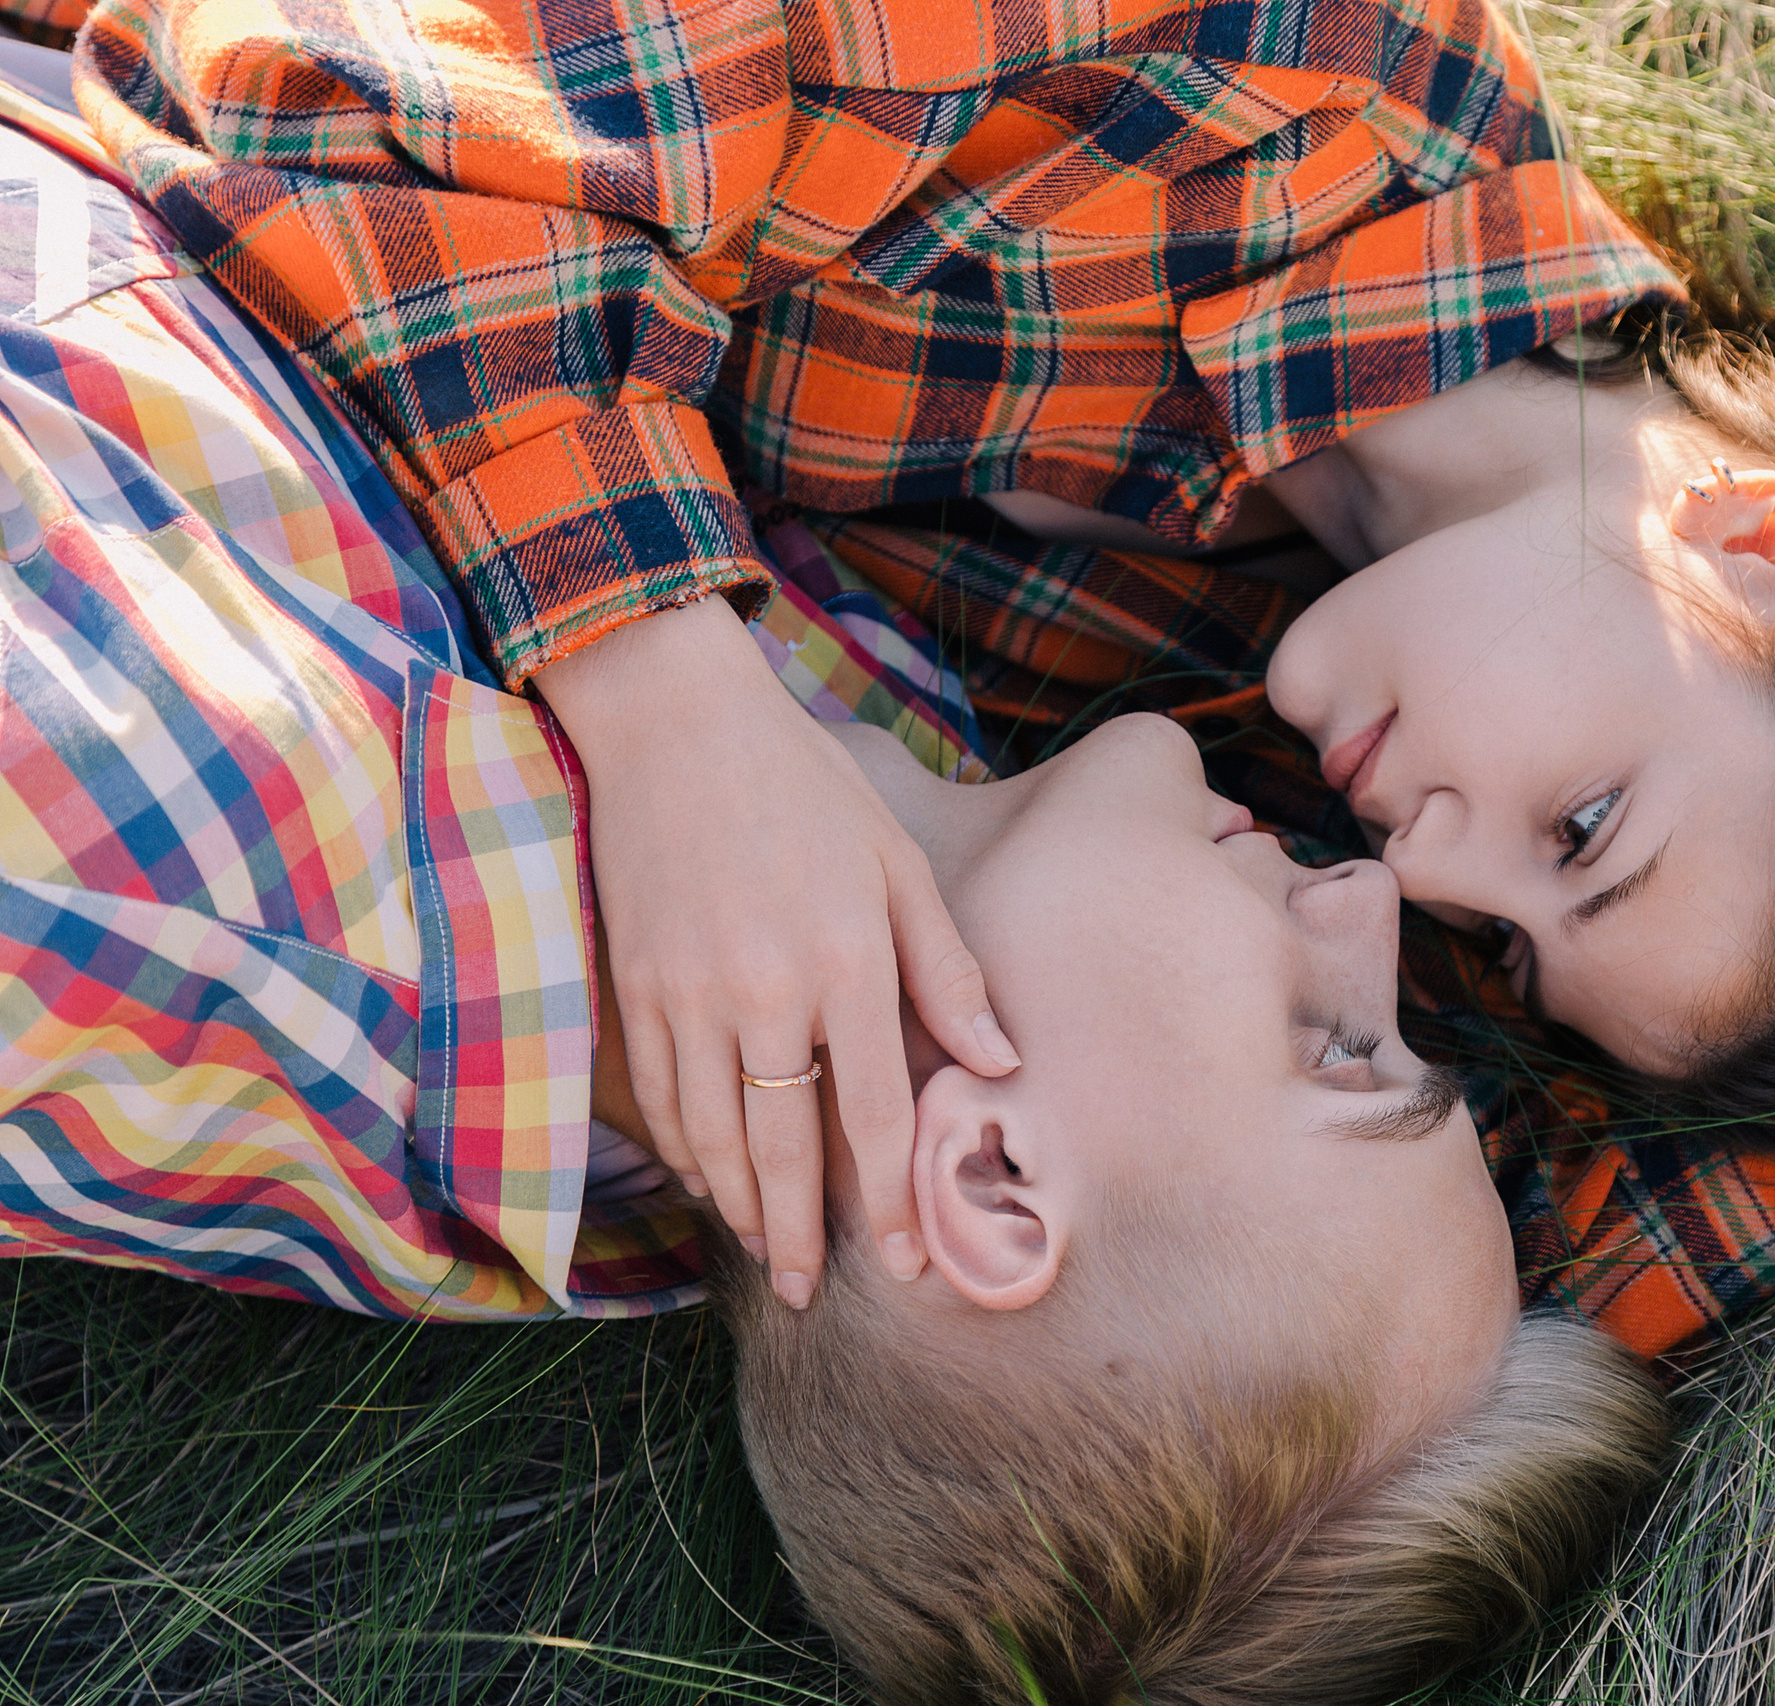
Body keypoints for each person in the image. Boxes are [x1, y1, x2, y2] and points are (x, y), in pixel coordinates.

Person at [0, 95, 1670, 1700]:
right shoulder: (914, 774)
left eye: (1337, 1051)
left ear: (994, 1181)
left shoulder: (212, 888)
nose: (1373, 902)